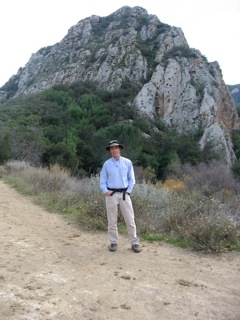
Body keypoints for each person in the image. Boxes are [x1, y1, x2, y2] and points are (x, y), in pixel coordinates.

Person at [100, 140, 141, 253]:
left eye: (116, 148)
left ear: (120, 149)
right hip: (111, 194)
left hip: (124, 194)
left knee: (130, 219)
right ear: (110, 151)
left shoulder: (127, 162)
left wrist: (128, 191)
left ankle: (134, 243)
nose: (115, 150)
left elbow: (131, 179)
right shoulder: (107, 164)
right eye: (112, 148)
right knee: (112, 220)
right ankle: (113, 242)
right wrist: (105, 190)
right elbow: (102, 179)